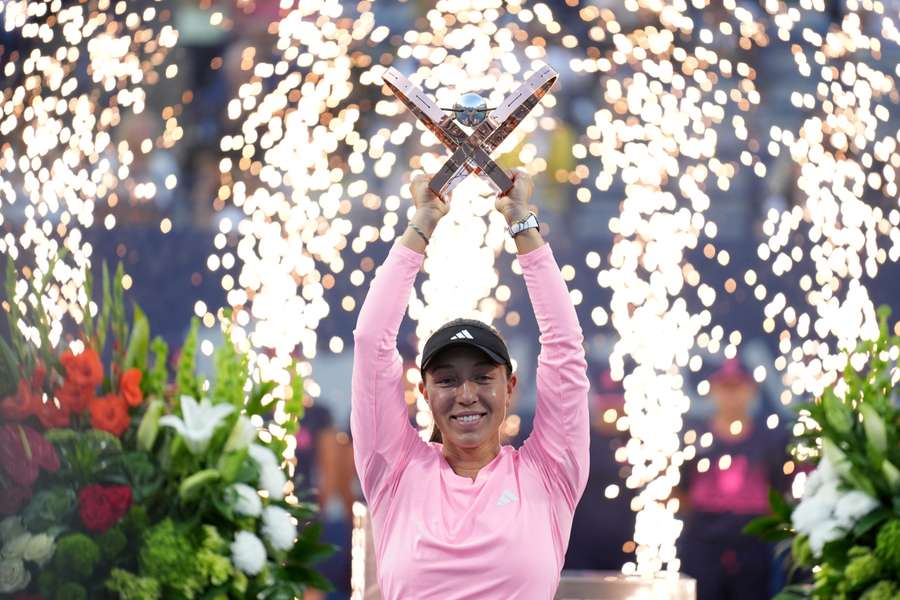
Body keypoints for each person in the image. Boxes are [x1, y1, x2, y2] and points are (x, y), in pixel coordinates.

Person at [351, 170, 590, 599]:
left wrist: (521, 220)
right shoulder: (394, 470)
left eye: (482, 377)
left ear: (510, 385)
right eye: (446, 380)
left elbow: (564, 345)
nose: (466, 394)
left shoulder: (549, 473)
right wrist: (422, 220)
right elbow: (372, 341)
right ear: (423, 392)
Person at [677, 357, 791, 600]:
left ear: (752, 390)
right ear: (712, 389)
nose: (731, 395)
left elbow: (780, 493)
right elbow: (680, 492)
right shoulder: (694, 441)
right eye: (725, 386)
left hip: (753, 548)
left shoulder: (770, 442)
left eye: (738, 386)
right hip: (703, 546)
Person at [564, 369, 635, 572]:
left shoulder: (639, 444)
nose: (612, 411)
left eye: (617, 404)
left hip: (626, 550)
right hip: (578, 548)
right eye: (607, 405)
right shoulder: (575, 443)